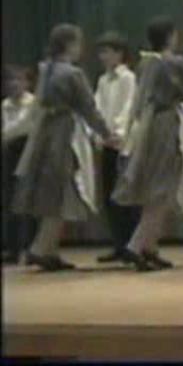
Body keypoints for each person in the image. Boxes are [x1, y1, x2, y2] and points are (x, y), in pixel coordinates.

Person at [112, 16, 183, 272]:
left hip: (148, 125)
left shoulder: (146, 63)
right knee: (162, 187)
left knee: (155, 184)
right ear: (171, 36)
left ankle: (150, 246)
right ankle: (136, 245)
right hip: (166, 124)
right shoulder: (173, 63)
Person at [11, 24, 116, 271]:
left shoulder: (46, 69)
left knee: (53, 193)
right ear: (70, 45)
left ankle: (48, 249)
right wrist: (106, 134)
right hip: (63, 135)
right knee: (62, 192)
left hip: (44, 135)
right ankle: (40, 249)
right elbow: (88, 108)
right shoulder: (72, 74)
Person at [93, 31, 139, 264]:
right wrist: (100, 134)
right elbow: (97, 108)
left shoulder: (128, 78)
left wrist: (118, 133)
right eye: (101, 52)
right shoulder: (103, 80)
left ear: (120, 53)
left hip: (124, 144)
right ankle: (119, 244)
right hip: (107, 142)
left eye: (107, 52)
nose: (103, 57)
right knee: (110, 195)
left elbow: (129, 108)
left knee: (127, 195)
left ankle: (132, 244)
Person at [1, 65, 37, 265]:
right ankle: (13, 248)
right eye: (10, 80)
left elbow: (23, 127)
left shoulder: (32, 103)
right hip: (9, 152)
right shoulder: (5, 105)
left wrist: (5, 136)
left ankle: (31, 248)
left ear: (27, 83)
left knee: (29, 200)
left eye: (19, 79)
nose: (14, 84)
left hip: (27, 150)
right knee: (10, 200)